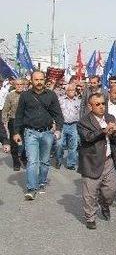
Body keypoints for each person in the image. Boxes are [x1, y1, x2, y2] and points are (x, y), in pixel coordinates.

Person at [13, 71, 64, 200]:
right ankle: (31, 188)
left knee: (45, 161)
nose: (39, 82)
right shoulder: (25, 96)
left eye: (41, 79)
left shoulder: (51, 95)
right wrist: (16, 132)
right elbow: (19, 115)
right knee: (32, 161)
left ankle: (41, 182)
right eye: (36, 80)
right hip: (30, 133)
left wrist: (58, 129)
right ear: (31, 80)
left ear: (44, 80)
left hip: (47, 133)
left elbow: (58, 114)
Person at [77, 93, 116, 229]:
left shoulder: (110, 117)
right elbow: (87, 138)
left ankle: (105, 204)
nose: (102, 107)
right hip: (91, 161)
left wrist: (115, 132)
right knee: (89, 194)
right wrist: (104, 131)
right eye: (98, 104)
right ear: (90, 106)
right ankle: (90, 217)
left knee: (112, 190)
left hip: (108, 160)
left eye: (103, 103)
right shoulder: (84, 121)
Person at [2, 78, 27, 171]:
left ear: (24, 85)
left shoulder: (27, 95)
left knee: (25, 141)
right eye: (17, 84)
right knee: (14, 143)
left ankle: (24, 158)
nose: (19, 86)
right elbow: (5, 110)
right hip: (13, 121)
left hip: (26, 121)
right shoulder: (10, 95)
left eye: (21, 84)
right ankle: (16, 162)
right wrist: (4, 121)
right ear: (14, 85)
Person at [55, 82, 81, 170]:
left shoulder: (78, 101)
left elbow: (80, 114)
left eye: (73, 90)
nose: (71, 91)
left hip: (73, 125)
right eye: (69, 90)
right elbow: (56, 112)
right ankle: (58, 160)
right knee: (59, 144)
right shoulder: (60, 100)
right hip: (62, 125)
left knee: (73, 145)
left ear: (75, 91)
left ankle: (71, 163)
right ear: (66, 91)